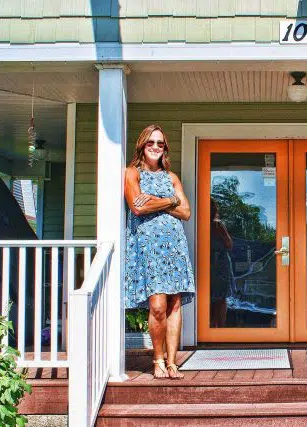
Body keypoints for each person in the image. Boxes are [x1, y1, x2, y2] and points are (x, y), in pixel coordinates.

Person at [124, 124, 195, 379]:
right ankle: (157, 360)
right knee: (157, 306)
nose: (155, 147)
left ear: (165, 148)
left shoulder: (171, 177)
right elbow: (137, 207)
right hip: (149, 249)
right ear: (142, 146)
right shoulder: (132, 173)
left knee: (175, 304)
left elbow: (186, 212)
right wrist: (170, 201)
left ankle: (172, 362)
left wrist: (155, 200)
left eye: (160, 143)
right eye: (151, 142)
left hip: (175, 247)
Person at [209, 197, 234, 327]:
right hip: (219, 264)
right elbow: (229, 244)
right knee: (221, 298)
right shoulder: (217, 224)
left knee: (210, 298)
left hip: (208, 263)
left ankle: (212, 328)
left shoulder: (199, 223)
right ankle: (220, 329)